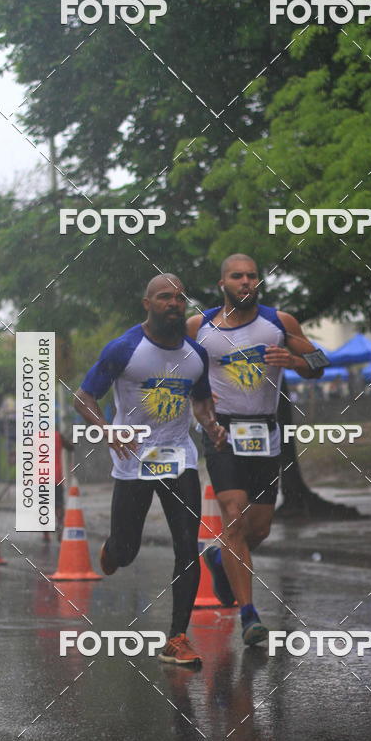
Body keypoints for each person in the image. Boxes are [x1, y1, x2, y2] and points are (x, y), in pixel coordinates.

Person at [74, 274, 226, 667]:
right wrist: (108, 430)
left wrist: (211, 425)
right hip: (133, 460)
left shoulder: (195, 355)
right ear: (147, 304)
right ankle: (114, 547)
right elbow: (84, 397)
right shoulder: (124, 349)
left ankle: (176, 638)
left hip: (180, 459)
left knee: (186, 546)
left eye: (179, 298)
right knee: (126, 551)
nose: (173, 304)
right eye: (164, 298)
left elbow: (202, 403)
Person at [186, 254, 325, 646]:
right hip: (222, 432)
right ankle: (249, 616)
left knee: (257, 528)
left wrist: (294, 360)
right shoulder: (200, 326)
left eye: (252, 276)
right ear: (222, 284)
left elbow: (319, 362)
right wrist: (198, 400)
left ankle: (217, 557)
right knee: (233, 516)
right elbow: (175, 368)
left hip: (267, 431)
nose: (246, 282)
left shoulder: (279, 323)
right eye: (237, 276)